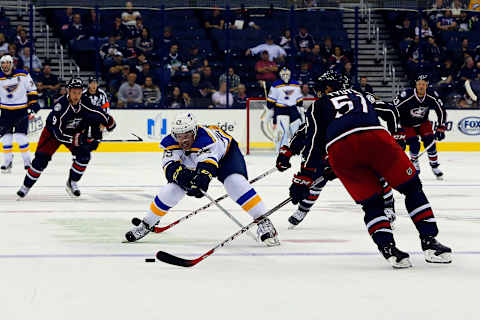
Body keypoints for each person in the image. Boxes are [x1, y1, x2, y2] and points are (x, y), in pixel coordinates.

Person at [288, 70, 451, 268]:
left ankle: (388, 248)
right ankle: (430, 242)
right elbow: (390, 111)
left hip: (341, 151)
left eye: (322, 89)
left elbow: (314, 142)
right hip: (376, 139)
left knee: (372, 204)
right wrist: (397, 136)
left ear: (329, 88)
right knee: (412, 188)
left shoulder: (317, 106)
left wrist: (305, 176)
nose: (319, 93)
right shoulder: (360, 94)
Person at [125, 112, 280, 246]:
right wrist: (183, 178)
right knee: (172, 189)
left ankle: (263, 220)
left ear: (194, 131)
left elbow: (207, 167)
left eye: (186, 135)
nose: (183, 140)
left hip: (227, 154)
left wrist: (200, 181)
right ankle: (147, 223)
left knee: (235, 183)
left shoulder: (207, 140)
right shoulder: (171, 143)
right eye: (179, 136)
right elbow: (170, 168)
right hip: (195, 157)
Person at [278, 76, 400, 228]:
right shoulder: (327, 104)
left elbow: (389, 110)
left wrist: (397, 136)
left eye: (322, 88)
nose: (319, 92)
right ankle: (303, 209)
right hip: (336, 150)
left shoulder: (358, 97)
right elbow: (307, 129)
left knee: (377, 176)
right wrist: (290, 150)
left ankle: (388, 208)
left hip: (359, 146)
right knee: (317, 180)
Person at [16, 78, 116, 199]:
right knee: (40, 161)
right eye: (74, 92)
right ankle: (25, 186)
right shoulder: (60, 106)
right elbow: (58, 133)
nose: (76, 95)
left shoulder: (85, 101)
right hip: (52, 134)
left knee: (84, 156)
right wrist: (75, 139)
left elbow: (98, 112)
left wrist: (109, 121)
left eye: (79, 92)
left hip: (74, 132)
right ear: (68, 91)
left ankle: (72, 182)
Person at [393, 74, 447, 179]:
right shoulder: (406, 95)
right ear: (415, 84)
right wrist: (396, 129)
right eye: (419, 84)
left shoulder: (432, 94)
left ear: (427, 85)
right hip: (407, 124)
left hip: (423, 122)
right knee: (414, 145)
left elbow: (441, 110)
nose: (421, 86)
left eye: (423, 84)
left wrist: (441, 126)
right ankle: (415, 164)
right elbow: (393, 110)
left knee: (430, 142)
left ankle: (435, 167)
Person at [0, 55, 39, 173]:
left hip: (21, 111)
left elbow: (32, 89)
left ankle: (27, 162)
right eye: (2, 63)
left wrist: (33, 104)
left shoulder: (23, 75)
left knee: (20, 137)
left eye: (7, 63)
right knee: (6, 139)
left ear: (12, 63)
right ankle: (7, 161)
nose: (4, 65)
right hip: (5, 112)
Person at [265, 67, 303, 153]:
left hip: (293, 109)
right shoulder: (276, 85)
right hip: (281, 109)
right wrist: (270, 106)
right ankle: (281, 150)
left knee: (296, 131)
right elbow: (270, 102)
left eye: (287, 74)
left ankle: (297, 149)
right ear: (280, 75)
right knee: (283, 132)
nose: (285, 76)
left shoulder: (296, 84)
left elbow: (299, 101)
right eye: (283, 74)